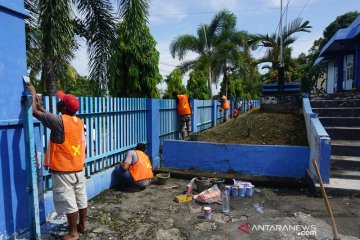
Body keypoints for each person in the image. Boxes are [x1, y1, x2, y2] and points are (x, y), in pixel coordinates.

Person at [27, 84, 87, 240]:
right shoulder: (77, 122)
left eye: (62, 102)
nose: (59, 102)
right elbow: (54, 118)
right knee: (81, 197)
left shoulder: (59, 121)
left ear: (64, 108)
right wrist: (42, 108)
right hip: (78, 168)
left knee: (68, 201)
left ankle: (73, 233)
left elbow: (34, 112)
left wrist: (33, 93)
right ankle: (82, 226)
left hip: (64, 170)